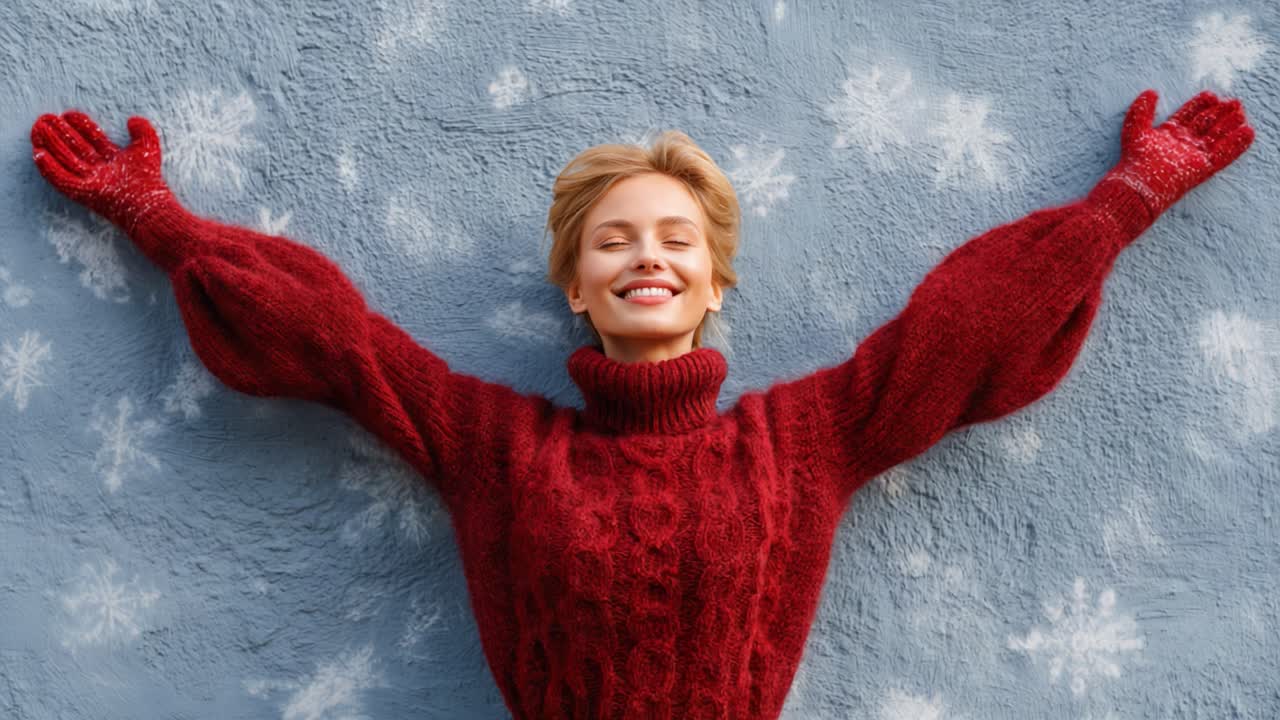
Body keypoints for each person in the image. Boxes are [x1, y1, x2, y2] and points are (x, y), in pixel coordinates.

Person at [29, 89, 1254, 719]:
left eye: (676, 238)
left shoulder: (802, 441)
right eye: (613, 241)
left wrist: (1121, 204)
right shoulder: (490, 445)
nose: (646, 257)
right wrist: (164, 223)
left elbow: (962, 333)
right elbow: (334, 346)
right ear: (574, 281)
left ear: (718, 279)